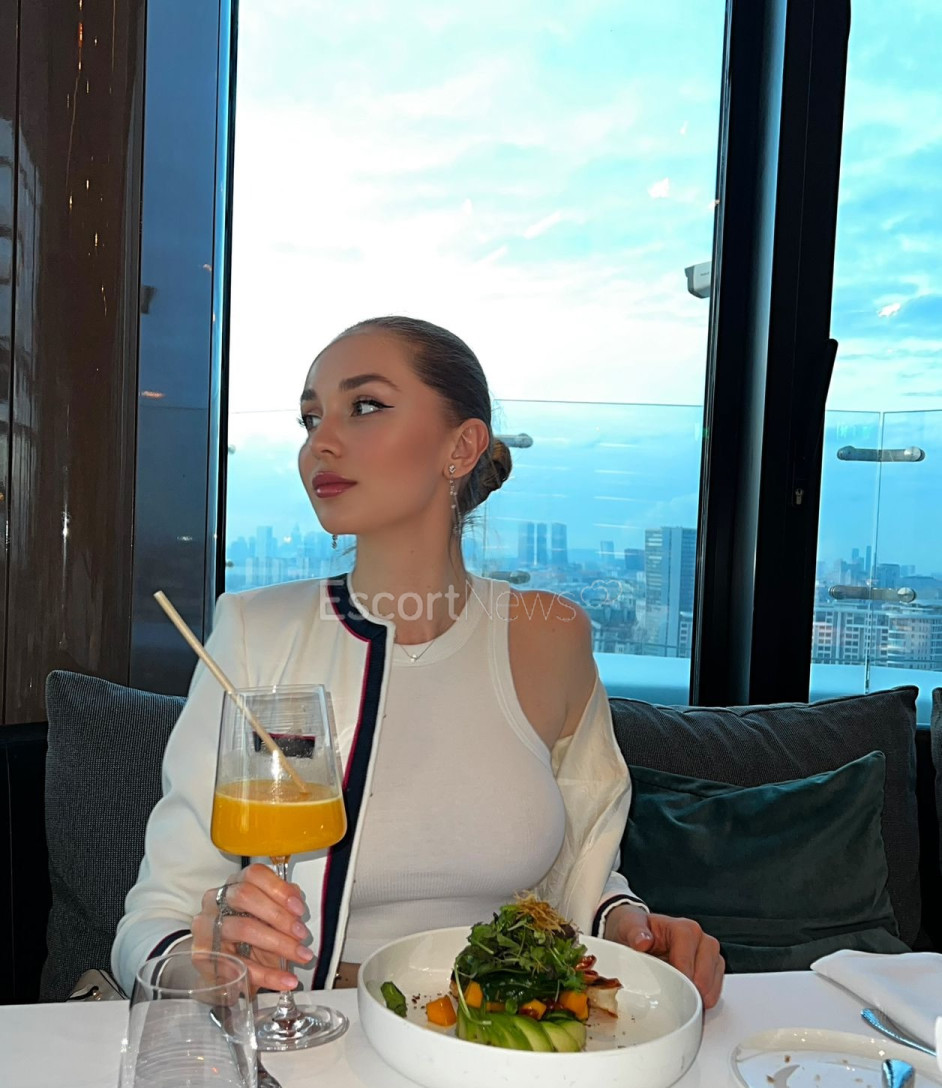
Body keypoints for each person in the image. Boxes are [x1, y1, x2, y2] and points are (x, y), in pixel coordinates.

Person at [112, 316, 724, 1009]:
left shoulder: (551, 636)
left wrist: (629, 927)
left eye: (364, 406)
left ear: (460, 447)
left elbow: (581, 865)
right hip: (311, 1034)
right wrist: (205, 969)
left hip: (504, 1035)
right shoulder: (257, 634)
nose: (320, 442)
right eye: (310, 418)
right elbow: (156, 916)